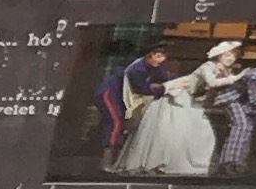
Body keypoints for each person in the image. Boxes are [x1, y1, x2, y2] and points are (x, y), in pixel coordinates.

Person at [118, 40, 245, 176]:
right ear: (219, 56)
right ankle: (162, 163)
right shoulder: (208, 66)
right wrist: (236, 78)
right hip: (179, 96)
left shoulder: (226, 71)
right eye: (227, 55)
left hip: (193, 100)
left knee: (201, 131)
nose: (231, 58)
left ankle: (193, 163)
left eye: (234, 56)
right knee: (175, 131)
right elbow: (212, 82)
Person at [208, 50, 256, 175]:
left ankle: (238, 161)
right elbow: (254, 99)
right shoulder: (253, 76)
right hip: (232, 99)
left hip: (245, 101)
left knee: (248, 128)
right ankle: (229, 161)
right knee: (241, 125)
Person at [98, 42, 172, 170]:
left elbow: (165, 76)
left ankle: (117, 158)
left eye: (163, 56)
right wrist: (161, 88)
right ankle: (106, 160)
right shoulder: (137, 69)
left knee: (126, 124)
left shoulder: (154, 67)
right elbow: (142, 88)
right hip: (111, 93)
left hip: (124, 97)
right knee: (116, 122)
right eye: (158, 56)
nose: (161, 60)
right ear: (149, 56)